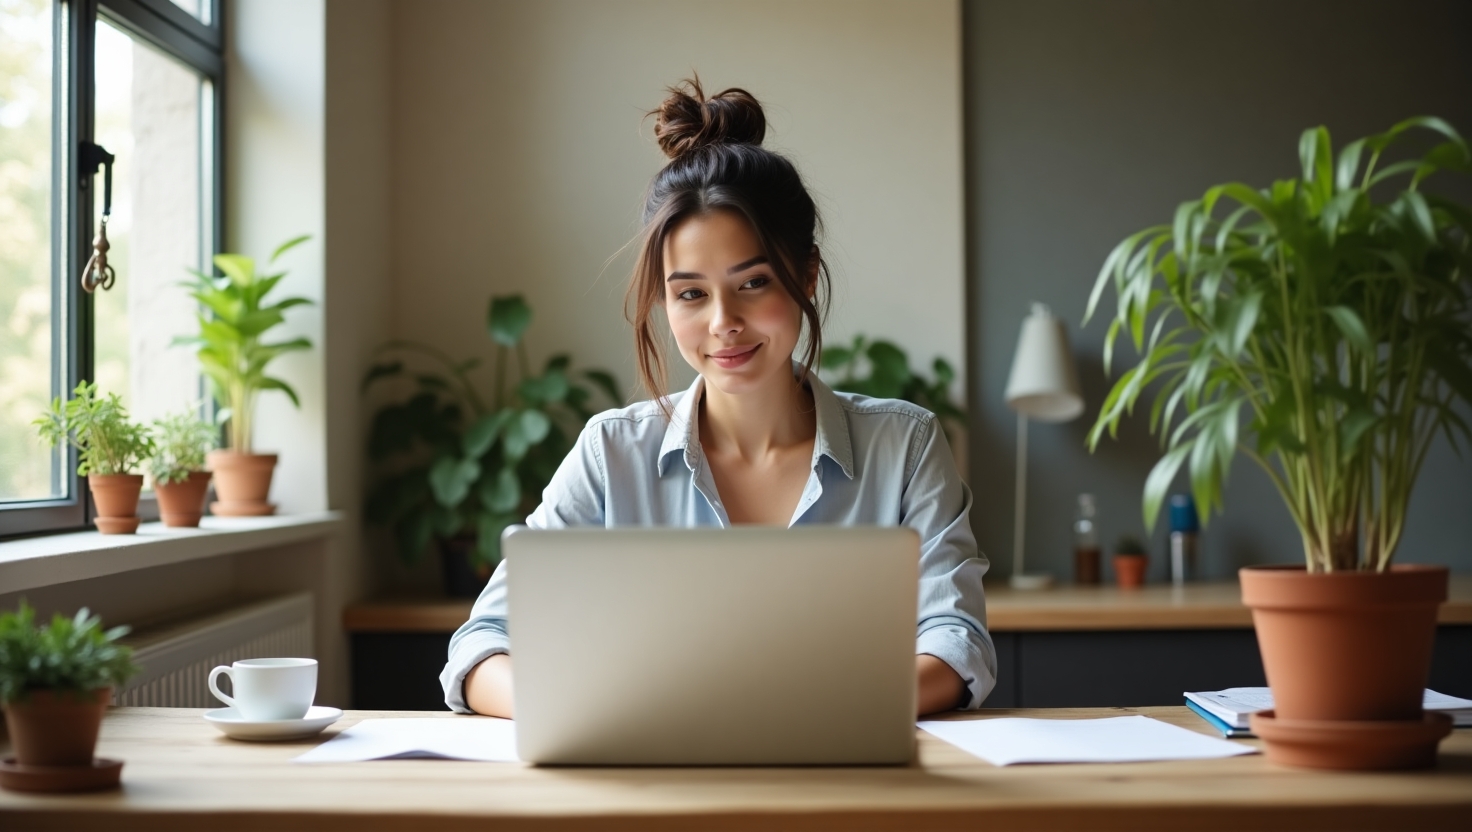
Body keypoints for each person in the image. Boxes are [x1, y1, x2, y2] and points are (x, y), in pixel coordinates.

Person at [440, 78, 995, 718]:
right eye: (691, 293)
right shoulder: (610, 453)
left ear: (806, 276)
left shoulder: (904, 445)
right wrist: (581, 705)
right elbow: (481, 646)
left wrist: (802, 712)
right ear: (663, 299)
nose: (722, 323)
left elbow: (957, 644)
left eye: (753, 282)